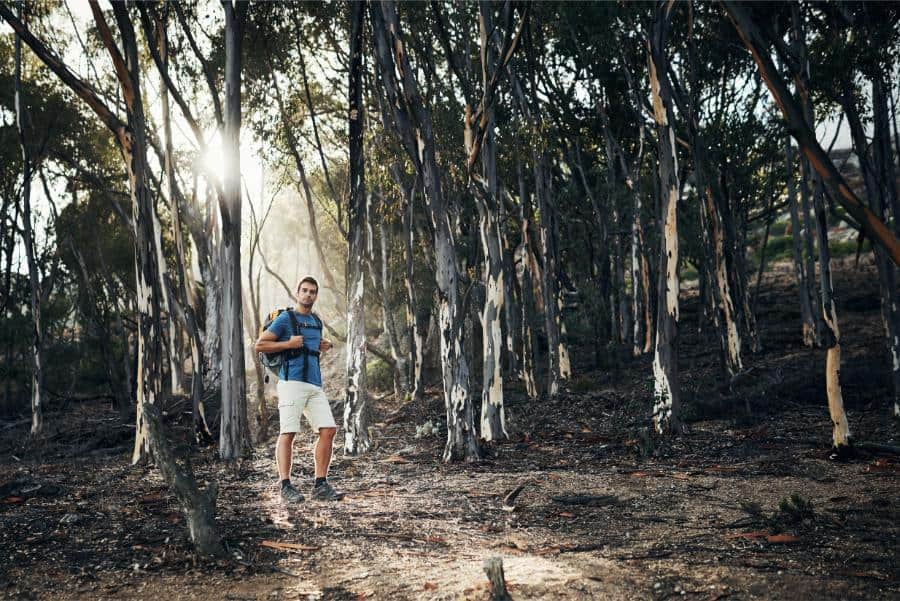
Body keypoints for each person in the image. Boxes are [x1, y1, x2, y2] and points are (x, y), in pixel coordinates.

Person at [254, 276, 343, 503]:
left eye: (312, 291)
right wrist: (287, 344)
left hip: (314, 385)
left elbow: (315, 344)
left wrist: (325, 345)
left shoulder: (316, 321)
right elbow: (260, 344)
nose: (308, 295)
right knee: (288, 432)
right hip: (291, 383)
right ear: (297, 292)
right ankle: (285, 486)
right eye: (304, 290)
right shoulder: (286, 319)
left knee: (328, 430)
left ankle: (320, 485)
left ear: (316, 295)